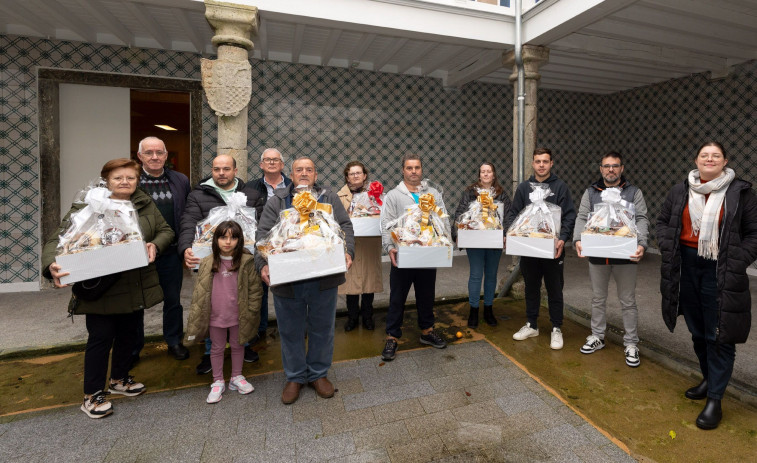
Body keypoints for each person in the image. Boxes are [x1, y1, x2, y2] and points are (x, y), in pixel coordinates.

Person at [42, 158, 174, 418]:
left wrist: (155, 245)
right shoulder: (88, 204)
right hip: (101, 284)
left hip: (134, 281)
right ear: (106, 180)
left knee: (130, 333)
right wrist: (50, 266)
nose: (125, 182)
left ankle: (119, 379)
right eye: (118, 178)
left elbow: (165, 230)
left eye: (130, 178)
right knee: (101, 338)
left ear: (138, 181)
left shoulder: (144, 203)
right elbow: (58, 238)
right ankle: (91, 395)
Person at [657, 141, 757, 430]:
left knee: (719, 334)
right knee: (698, 331)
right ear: (696, 160)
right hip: (685, 265)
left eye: (716, 156)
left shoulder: (742, 193)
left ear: (725, 161)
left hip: (721, 268)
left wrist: (736, 259)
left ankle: (715, 398)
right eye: (704, 155)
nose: (709, 159)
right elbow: (663, 222)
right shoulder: (680, 190)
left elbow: (754, 233)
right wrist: (667, 247)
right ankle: (708, 379)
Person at [254, 156, 355, 405]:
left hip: (324, 276)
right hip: (287, 278)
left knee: (322, 328)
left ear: (316, 175)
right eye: (299, 169)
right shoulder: (278, 200)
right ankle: (296, 376)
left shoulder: (328, 199)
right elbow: (262, 235)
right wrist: (263, 264)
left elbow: (345, 227)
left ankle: (318, 374)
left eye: (309, 169)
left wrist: (348, 252)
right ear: (292, 173)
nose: (304, 173)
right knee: (290, 329)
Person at [178, 154, 264, 374]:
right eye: (217, 169)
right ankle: (210, 351)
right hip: (210, 260)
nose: (221, 173)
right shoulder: (198, 194)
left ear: (236, 171)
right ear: (212, 170)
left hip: (243, 261)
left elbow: (261, 225)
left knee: (242, 300)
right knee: (212, 302)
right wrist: (186, 247)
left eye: (226, 169)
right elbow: (189, 221)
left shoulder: (250, 194)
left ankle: (243, 344)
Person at [573, 152, 649, 367]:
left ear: (622, 168)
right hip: (598, 255)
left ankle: (631, 343)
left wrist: (642, 243)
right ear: (600, 169)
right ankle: (597, 335)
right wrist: (578, 239)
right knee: (598, 298)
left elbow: (641, 218)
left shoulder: (633, 192)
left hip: (626, 255)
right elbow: (582, 216)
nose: (611, 170)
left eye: (615, 166)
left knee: (628, 300)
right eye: (606, 166)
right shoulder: (591, 192)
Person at [504, 148, 576, 350]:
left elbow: (569, 215)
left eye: (545, 161)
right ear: (533, 163)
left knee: (555, 288)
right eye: (538, 161)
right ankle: (532, 324)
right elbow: (513, 214)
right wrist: (512, 232)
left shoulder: (560, 187)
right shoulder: (524, 188)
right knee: (531, 287)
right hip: (529, 248)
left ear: (551, 163)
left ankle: (556, 328)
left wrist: (562, 238)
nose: (541, 165)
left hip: (553, 249)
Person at [380, 153, 448, 362]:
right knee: (397, 296)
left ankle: (427, 331)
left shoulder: (433, 193)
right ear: (403, 170)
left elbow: (443, 218)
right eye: (409, 168)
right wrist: (390, 247)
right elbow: (386, 224)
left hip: (428, 252)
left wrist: (444, 241)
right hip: (404, 254)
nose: (413, 171)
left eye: (417, 167)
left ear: (421, 169)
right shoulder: (394, 195)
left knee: (427, 294)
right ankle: (392, 336)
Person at [185, 221, 262, 404]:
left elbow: (255, 290)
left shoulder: (247, 262)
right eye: (223, 237)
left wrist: (252, 311)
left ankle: (236, 377)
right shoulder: (207, 262)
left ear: (240, 240)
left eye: (233, 237)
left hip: (238, 315)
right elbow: (200, 291)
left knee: (238, 346)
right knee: (217, 348)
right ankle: (218, 381)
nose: (228, 242)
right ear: (216, 239)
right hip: (215, 316)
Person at [135, 136, 191, 363]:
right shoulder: (132, 180)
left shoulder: (180, 180)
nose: (155, 157)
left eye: (159, 152)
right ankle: (132, 347)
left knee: (173, 299)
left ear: (166, 156)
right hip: (137, 253)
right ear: (140, 156)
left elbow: (187, 214)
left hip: (170, 251)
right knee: (136, 302)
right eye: (149, 153)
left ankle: (174, 341)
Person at [453, 162, 511, 328]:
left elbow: (508, 216)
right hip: (475, 240)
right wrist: (457, 233)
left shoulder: (501, 194)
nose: (486, 174)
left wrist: (506, 234)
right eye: (483, 172)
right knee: (476, 274)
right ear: (479, 175)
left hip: (494, 241)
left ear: (493, 175)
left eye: (489, 171)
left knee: (491, 275)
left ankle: (488, 309)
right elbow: (460, 213)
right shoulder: (470, 193)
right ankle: (473, 310)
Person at [248, 148, 293, 344]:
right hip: (261, 245)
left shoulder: (293, 186)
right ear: (261, 165)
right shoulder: (249, 188)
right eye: (267, 160)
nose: (272, 163)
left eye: (276, 160)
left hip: (289, 246)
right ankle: (261, 330)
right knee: (261, 288)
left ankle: (292, 329)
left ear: (283, 165)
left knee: (291, 289)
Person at [337, 161, 383, 331]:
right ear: (347, 177)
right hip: (351, 244)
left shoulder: (375, 194)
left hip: (370, 244)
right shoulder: (339, 197)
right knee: (351, 282)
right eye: (352, 173)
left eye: (359, 173)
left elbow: (382, 214)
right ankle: (352, 317)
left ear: (365, 176)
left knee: (369, 280)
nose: (355, 176)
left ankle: (368, 316)